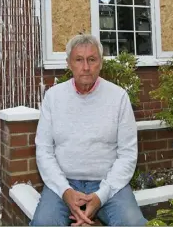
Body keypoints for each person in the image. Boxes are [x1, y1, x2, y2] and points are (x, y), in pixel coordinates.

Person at [31, 34, 147, 226]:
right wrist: (65, 191)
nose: (86, 67)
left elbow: (127, 154)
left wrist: (101, 196)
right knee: (43, 223)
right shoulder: (53, 97)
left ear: (100, 63)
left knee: (134, 223)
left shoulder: (118, 97)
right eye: (79, 60)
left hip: (108, 183)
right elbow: (44, 150)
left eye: (91, 60)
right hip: (63, 183)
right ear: (69, 63)